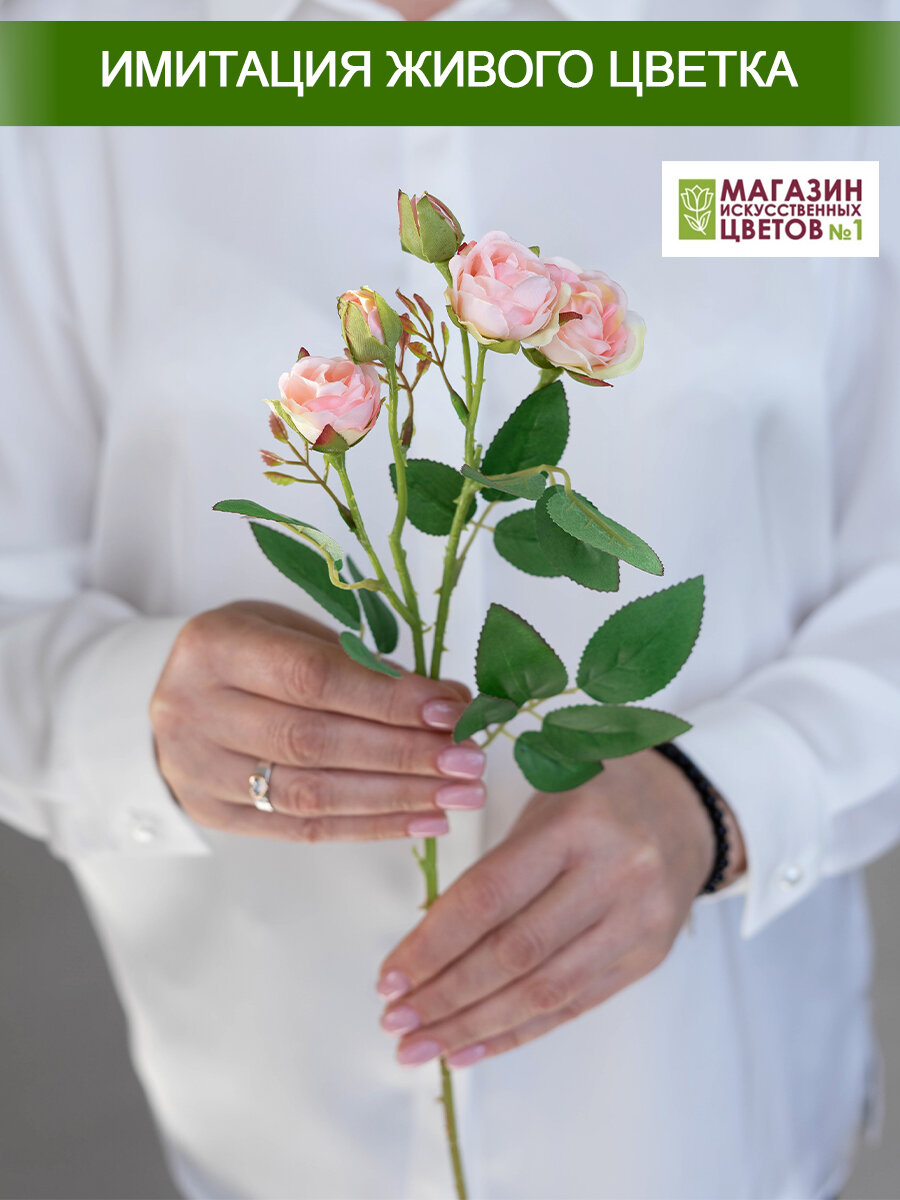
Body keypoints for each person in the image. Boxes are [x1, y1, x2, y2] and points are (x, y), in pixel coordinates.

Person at [1, 2, 899, 1197]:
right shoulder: (70, 60)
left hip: (718, 1128)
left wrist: (727, 796)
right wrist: (134, 711)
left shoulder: (818, 42)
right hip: (267, 1143)